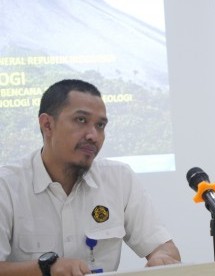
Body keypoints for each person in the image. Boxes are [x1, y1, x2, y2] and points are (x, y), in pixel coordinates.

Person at [0, 79, 181, 275]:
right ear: (47, 125)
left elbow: (164, 248)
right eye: (81, 120)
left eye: (101, 125)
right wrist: (46, 269)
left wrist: (161, 258)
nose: (93, 135)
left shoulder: (119, 179)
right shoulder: (7, 185)